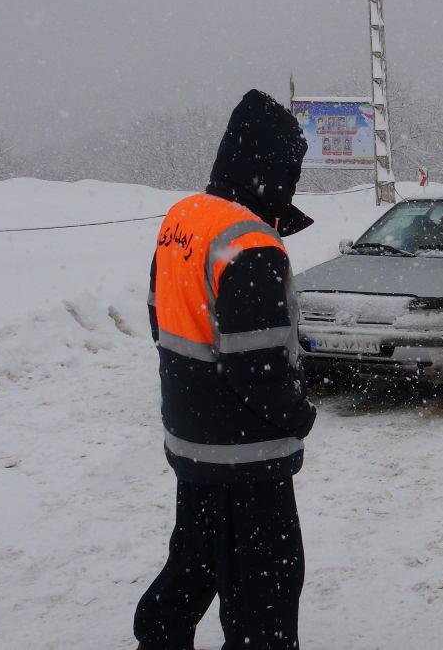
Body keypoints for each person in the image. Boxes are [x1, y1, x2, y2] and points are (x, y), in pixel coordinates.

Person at [135, 89, 317, 649]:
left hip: (193, 443)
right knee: (267, 586)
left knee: (195, 561)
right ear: (274, 167)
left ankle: (159, 639)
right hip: (248, 454)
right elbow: (257, 365)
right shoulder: (251, 242)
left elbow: (158, 319)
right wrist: (297, 413)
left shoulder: (183, 220)